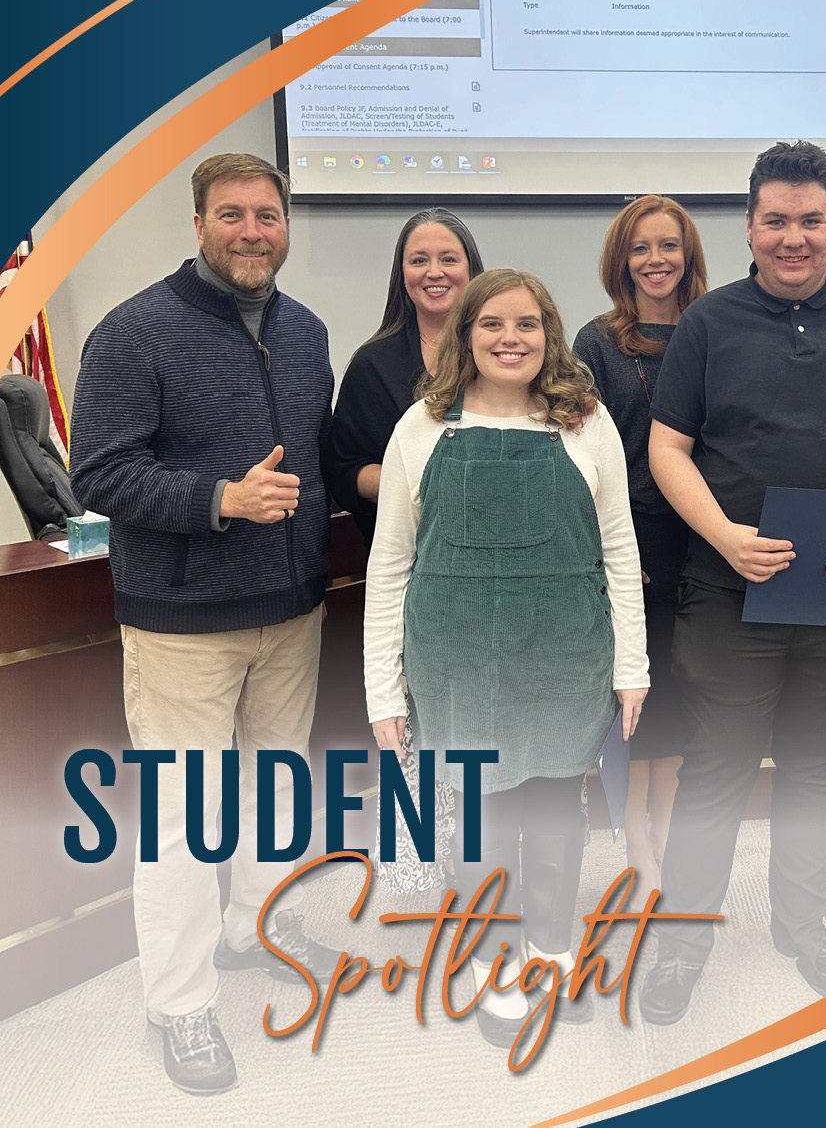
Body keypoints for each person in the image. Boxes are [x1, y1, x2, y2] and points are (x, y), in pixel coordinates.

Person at [640, 141, 826, 1024]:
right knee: (717, 768)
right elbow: (668, 448)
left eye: (811, 220)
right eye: (776, 220)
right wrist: (727, 537)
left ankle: (805, 927)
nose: (794, 237)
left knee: (814, 768)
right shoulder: (708, 323)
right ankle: (688, 935)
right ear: (749, 226)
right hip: (731, 589)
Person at [69, 153, 341, 1095]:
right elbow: (96, 475)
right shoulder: (133, 330)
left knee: (275, 793)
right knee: (185, 822)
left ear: (286, 225)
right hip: (181, 622)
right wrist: (220, 498)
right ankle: (178, 1007)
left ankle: (252, 928)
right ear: (198, 224)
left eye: (267, 215)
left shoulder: (306, 333)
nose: (253, 231)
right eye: (233, 215)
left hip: (290, 609)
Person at [363, 268, 649, 1046]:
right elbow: (389, 564)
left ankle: (552, 950)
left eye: (526, 324)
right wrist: (380, 690)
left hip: (565, 651)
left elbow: (620, 550)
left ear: (549, 336)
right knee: (483, 814)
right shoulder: (420, 428)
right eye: (492, 324)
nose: (510, 338)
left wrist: (634, 667)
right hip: (454, 656)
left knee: (558, 807)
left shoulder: (586, 423)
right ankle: (493, 961)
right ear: (466, 336)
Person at [573, 195, 707, 901]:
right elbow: (581, 452)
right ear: (621, 260)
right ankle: (638, 839)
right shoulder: (596, 342)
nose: (656, 260)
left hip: (706, 538)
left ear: (688, 255)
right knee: (638, 691)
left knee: (689, 687)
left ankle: (667, 829)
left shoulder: (716, 326)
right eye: (640, 248)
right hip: (629, 540)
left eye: (668, 246)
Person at [325, 207, 484, 543]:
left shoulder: (505, 352)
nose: (434, 272)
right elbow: (344, 471)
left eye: (449, 259)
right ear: (402, 274)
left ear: (471, 270)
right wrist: (418, 485)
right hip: (409, 557)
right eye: (419, 260)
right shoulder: (372, 365)